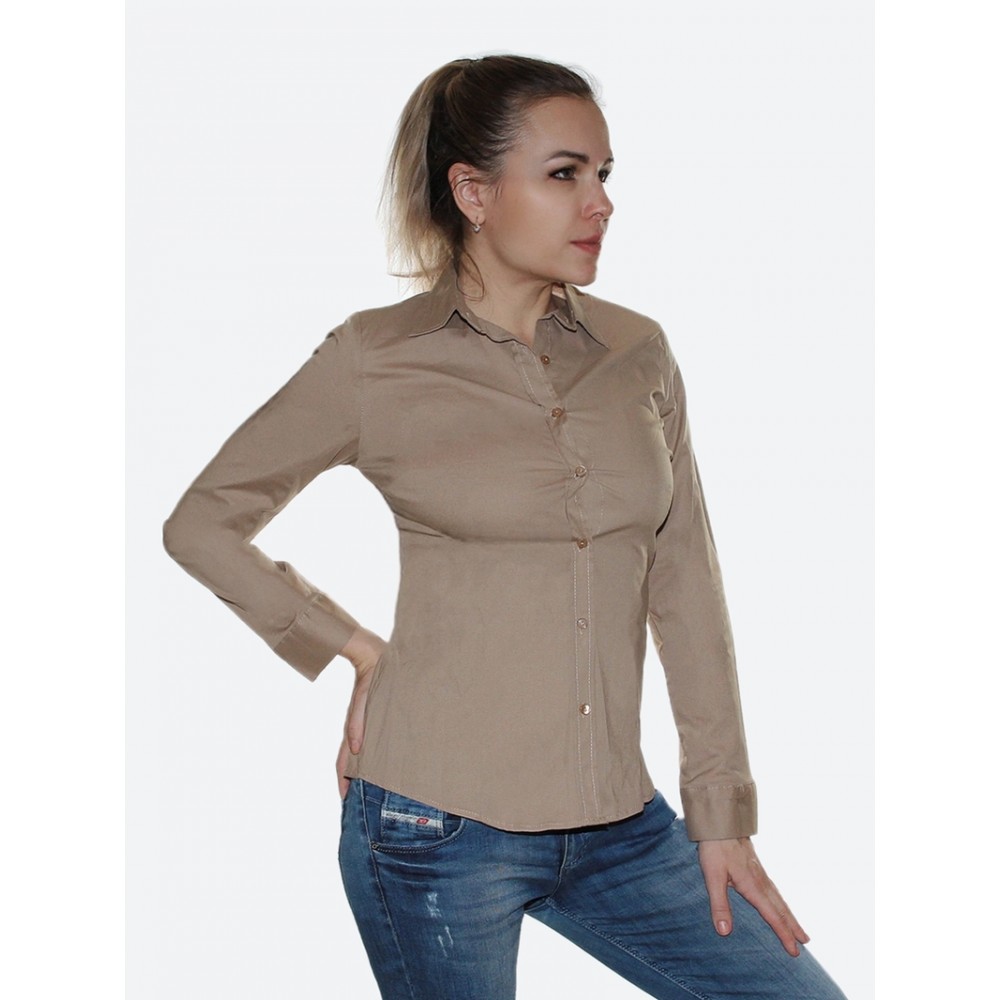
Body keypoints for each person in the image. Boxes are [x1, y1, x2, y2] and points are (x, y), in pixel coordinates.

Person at [163, 54, 846, 1000]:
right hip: (434, 828)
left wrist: (720, 815)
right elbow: (202, 523)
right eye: (565, 174)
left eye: (604, 174)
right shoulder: (376, 358)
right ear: (473, 193)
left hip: (624, 827)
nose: (600, 203)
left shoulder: (637, 352)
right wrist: (355, 650)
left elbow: (687, 584)